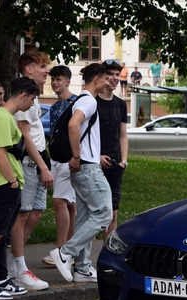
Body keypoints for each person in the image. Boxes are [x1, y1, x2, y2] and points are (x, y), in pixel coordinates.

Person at [50, 63, 113, 283]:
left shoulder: (82, 100)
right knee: (105, 213)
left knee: (86, 215)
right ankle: (65, 252)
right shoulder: (88, 100)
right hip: (86, 167)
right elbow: (73, 125)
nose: (108, 82)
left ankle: (83, 268)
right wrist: (76, 156)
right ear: (96, 79)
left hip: (83, 166)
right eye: (106, 78)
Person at [0, 77, 40, 300]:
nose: (33, 104)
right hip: (3, 184)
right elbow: (0, 153)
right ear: (23, 95)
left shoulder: (5, 117)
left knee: (3, 234)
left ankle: (1, 278)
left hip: (8, 183)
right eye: (32, 99)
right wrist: (13, 182)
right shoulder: (3, 118)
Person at [8, 51, 51, 291]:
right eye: (41, 66)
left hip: (38, 163)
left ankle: (14, 264)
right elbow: (26, 136)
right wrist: (44, 166)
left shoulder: (33, 96)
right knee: (22, 215)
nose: (47, 70)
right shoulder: (23, 95)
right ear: (28, 70)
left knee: (35, 213)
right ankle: (19, 268)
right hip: (28, 163)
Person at [41, 65, 78, 267]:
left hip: (69, 158)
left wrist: (76, 156)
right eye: (53, 79)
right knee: (70, 204)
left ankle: (62, 250)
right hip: (56, 157)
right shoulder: (54, 107)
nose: (55, 82)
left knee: (59, 201)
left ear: (67, 81)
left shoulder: (76, 103)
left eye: (59, 79)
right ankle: (71, 249)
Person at [98, 59, 129, 246]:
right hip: (94, 163)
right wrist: (96, 157)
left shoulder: (120, 104)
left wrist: (123, 161)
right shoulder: (92, 101)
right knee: (95, 211)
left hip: (115, 164)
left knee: (113, 211)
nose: (115, 78)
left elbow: (123, 135)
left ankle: (108, 252)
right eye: (110, 73)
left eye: (117, 74)